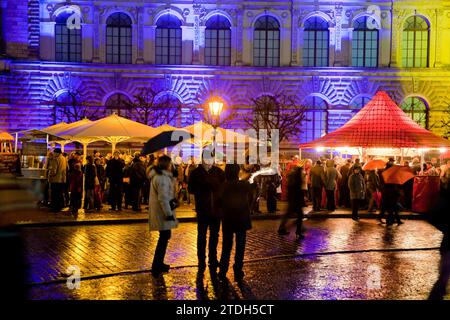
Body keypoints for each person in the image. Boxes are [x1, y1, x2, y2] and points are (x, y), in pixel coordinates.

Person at [188, 155, 225, 272]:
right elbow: (191, 189)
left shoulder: (219, 172)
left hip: (216, 210)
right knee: (202, 235)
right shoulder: (196, 173)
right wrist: (204, 186)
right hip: (203, 209)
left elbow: (224, 188)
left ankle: (213, 259)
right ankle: (201, 259)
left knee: (215, 235)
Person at [218, 164, 252, 281]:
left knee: (226, 246)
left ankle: (222, 270)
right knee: (240, 245)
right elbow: (253, 188)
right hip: (241, 218)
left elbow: (218, 202)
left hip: (228, 219)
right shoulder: (243, 185)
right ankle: (238, 269)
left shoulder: (223, 186)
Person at [148, 155, 179, 276]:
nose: (171, 166)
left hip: (161, 212)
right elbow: (163, 198)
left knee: (164, 237)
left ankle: (159, 263)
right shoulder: (162, 178)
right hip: (162, 213)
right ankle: (157, 264)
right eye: (170, 164)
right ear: (167, 165)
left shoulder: (161, 176)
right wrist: (169, 214)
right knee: (164, 237)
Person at [278, 165, 305, 238]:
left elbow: (290, 191)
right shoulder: (297, 181)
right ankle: (298, 232)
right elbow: (298, 191)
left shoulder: (291, 180)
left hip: (292, 201)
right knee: (299, 216)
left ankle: (282, 228)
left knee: (288, 215)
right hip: (296, 201)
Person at [47, 148, 67, 213]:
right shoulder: (64, 159)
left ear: (57, 153)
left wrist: (49, 175)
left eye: (54, 153)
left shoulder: (55, 159)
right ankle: (60, 206)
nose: (53, 154)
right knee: (60, 194)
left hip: (55, 179)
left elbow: (54, 171)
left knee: (55, 194)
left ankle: (55, 208)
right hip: (62, 179)